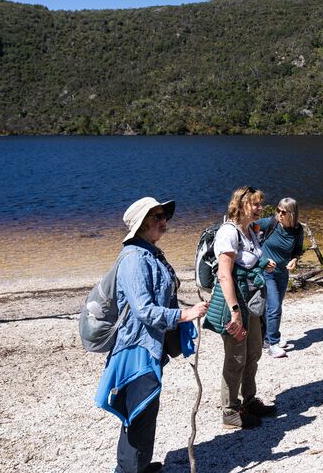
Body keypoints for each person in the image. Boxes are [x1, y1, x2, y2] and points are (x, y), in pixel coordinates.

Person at [97, 197, 209, 473]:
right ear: (142, 223)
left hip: (150, 345)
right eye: (157, 217)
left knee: (145, 409)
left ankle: (140, 465)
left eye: (164, 216)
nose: (164, 221)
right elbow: (144, 310)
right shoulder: (134, 258)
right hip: (137, 346)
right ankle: (129, 469)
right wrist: (185, 315)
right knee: (138, 410)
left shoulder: (150, 253)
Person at [214, 186, 278, 429]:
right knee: (235, 357)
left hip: (251, 303)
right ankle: (230, 410)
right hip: (236, 304)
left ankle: (249, 400)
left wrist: (263, 264)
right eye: (256, 205)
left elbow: (248, 263)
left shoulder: (249, 230)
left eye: (261, 204)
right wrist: (234, 310)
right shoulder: (228, 233)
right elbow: (224, 275)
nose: (260, 209)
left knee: (253, 353)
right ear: (241, 205)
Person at [257, 197, 305, 358]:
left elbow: (297, 250)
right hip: (266, 273)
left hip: (282, 274)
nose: (279, 213)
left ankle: (265, 338)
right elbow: (246, 230)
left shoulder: (297, 230)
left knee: (271, 307)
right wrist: (260, 260)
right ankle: (273, 343)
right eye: (278, 209)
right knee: (274, 307)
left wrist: (294, 259)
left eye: (283, 211)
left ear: (291, 214)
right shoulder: (269, 223)